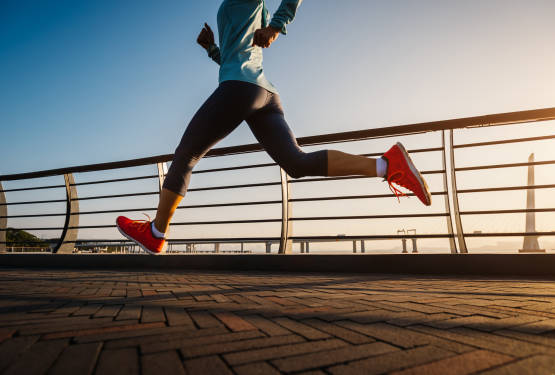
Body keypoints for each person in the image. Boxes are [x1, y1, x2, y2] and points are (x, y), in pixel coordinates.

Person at [116, 0, 431, 255]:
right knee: (296, 162)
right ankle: (387, 165)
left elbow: (258, 42)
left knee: (186, 153)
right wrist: (212, 49)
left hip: (241, 88)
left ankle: (156, 233)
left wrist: (277, 27)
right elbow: (237, 56)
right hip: (263, 93)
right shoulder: (245, 9)